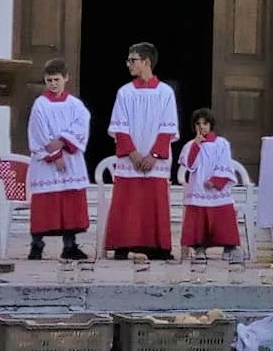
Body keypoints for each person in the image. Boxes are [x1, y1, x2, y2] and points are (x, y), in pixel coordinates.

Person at [105, 42, 179, 260]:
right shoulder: (125, 92)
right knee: (127, 201)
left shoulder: (165, 92)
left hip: (155, 160)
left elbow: (168, 127)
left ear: (146, 62)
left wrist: (154, 155)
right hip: (131, 159)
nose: (128, 64)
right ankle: (122, 244)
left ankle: (158, 247)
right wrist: (133, 154)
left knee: (154, 202)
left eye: (133, 60)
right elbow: (120, 126)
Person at [26, 58, 90, 260]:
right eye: (49, 80)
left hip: (70, 161)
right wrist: (54, 156)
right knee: (45, 204)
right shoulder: (40, 105)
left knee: (69, 202)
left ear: (66, 78)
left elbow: (82, 125)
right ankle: (37, 245)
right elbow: (38, 132)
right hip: (47, 164)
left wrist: (62, 141)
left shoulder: (76, 105)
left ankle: (69, 245)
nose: (53, 84)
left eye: (56, 79)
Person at [179, 108, 242, 261]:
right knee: (199, 218)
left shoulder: (221, 144)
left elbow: (225, 164)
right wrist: (196, 145)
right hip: (199, 188)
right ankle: (199, 247)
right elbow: (189, 165)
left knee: (223, 216)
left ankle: (229, 247)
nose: (202, 127)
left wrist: (215, 181)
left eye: (205, 123)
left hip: (216, 190)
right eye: (198, 124)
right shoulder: (190, 145)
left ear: (211, 125)